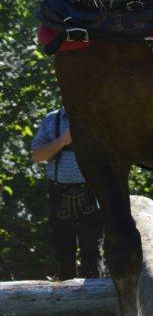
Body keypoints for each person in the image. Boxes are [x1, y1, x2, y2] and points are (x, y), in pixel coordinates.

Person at [31, 105, 104, 280]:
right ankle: (66, 295)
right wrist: (63, 140)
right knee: (63, 251)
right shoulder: (51, 119)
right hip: (59, 194)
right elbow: (37, 156)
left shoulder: (97, 118)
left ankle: (94, 295)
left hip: (90, 193)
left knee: (92, 252)